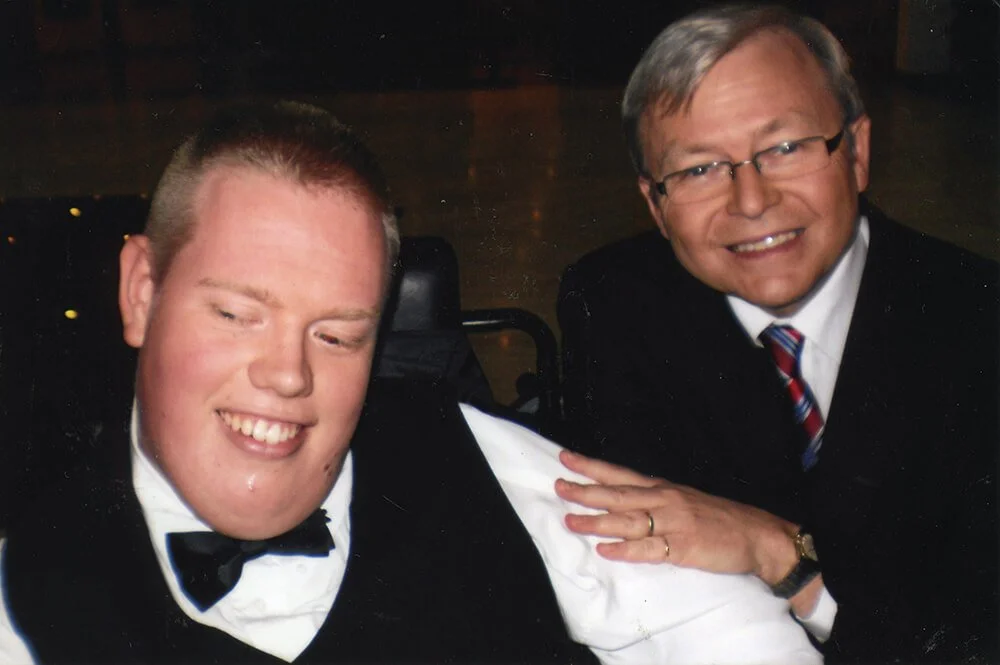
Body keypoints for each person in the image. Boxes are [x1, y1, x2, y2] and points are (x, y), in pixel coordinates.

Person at [0, 101, 823, 664]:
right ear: (142, 291)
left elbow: (722, 622)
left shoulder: (472, 456)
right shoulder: (23, 601)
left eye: (337, 334)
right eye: (237, 314)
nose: (287, 374)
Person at [556, 4, 999, 663]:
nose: (751, 201)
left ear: (856, 151)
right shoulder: (615, 304)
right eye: (699, 169)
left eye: (786, 148)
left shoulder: (979, 323)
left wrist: (780, 555)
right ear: (655, 204)